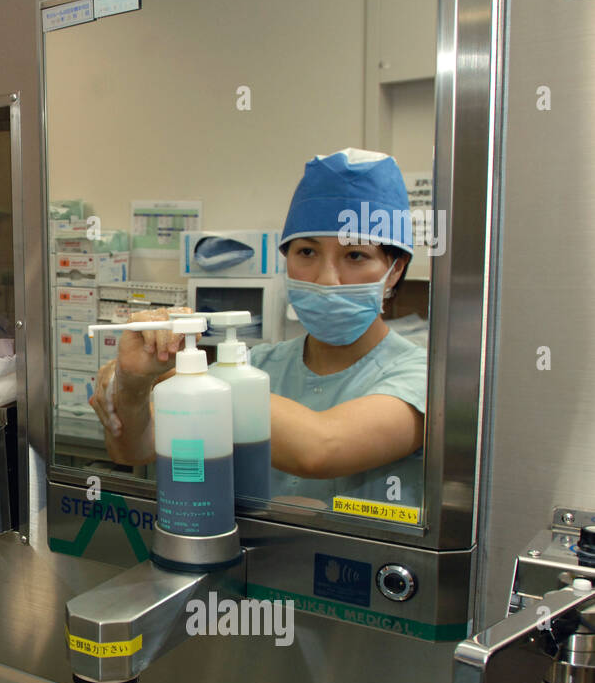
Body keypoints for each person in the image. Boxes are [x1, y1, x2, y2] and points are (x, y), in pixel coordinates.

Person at [90, 148, 427, 510]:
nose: (327, 280)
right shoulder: (260, 364)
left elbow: (321, 448)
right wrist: (133, 386)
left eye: (355, 255)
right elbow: (134, 449)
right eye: (307, 253)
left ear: (395, 269)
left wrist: (189, 379)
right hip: (256, 564)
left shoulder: (420, 377)